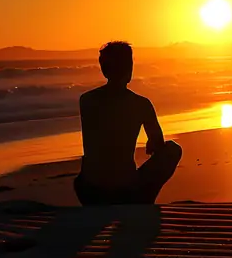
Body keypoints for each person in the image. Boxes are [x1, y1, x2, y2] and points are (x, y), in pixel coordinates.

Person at [74, 41, 182, 205]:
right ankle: (145, 201)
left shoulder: (86, 100)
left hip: (89, 190)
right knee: (173, 150)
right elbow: (158, 145)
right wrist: (151, 142)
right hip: (124, 190)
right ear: (129, 67)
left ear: (104, 70)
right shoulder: (141, 104)